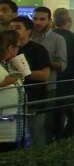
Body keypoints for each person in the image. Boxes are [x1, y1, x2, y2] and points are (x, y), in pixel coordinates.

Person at [12, 16, 51, 145]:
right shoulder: (6, 50)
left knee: (36, 134)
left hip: (34, 100)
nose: (13, 31)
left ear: (28, 31)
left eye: (18, 28)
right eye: (11, 28)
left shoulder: (38, 50)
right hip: (12, 103)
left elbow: (45, 76)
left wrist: (21, 73)